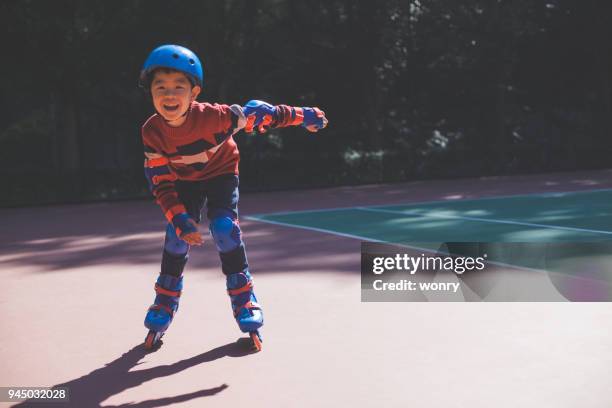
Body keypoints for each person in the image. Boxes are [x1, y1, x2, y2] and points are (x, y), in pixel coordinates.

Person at [138, 44, 328, 351]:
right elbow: (160, 182)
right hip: (183, 180)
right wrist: (180, 218)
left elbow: (262, 115)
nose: (169, 95)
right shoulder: (152, 132)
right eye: (160, 87)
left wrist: (302, 115)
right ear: (151, 92)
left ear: (194, 93)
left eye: (178, 87)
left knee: (224, 228)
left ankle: (244, 298)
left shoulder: (216, 117)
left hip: (221, 174)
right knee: (176, 234)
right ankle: (164, 301)